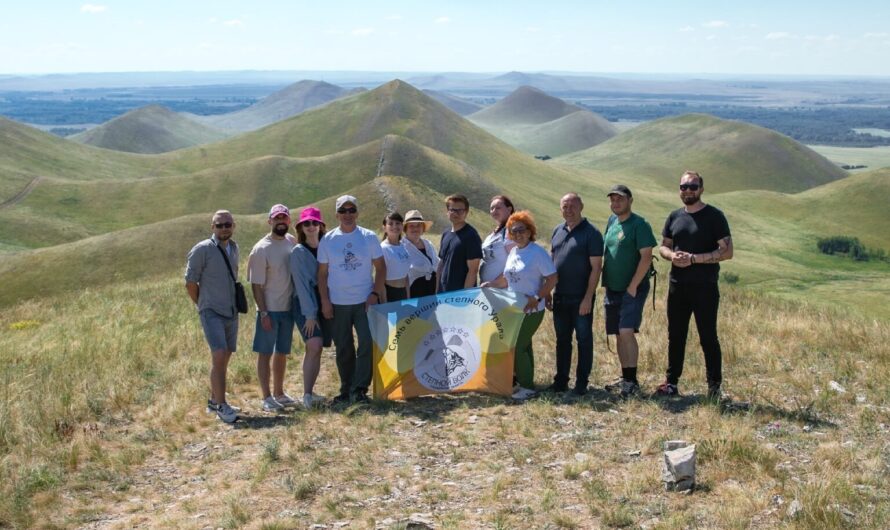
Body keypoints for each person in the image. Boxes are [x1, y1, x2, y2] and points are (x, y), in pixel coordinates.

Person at [657, 171, 733, 399]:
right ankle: (671, 383)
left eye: (693, 186)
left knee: (708, 336)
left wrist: (694, 259)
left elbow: (727, 252)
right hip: (677, 286)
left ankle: (714, 387)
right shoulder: (674, 216)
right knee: (675, 335)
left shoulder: (714, 216)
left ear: (701, 189)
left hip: (705, 287)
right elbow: (663, 246)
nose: (688, 191)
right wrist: (672, 256)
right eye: (684, 187)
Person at [318, 195, 386, 404]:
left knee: (367, 343)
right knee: (343, 347)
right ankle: (346, 388)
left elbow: (381, 268)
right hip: (338, 302)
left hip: (364, 301)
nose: (347, 214)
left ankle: (360, 389)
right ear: (336, 214)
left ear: (357, 213)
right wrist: (325, 301)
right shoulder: (328, 240)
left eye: (351, 210)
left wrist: (374, 294)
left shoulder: (369, 237)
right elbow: (322, 274)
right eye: (343, 211)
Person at [482, 211, 557, 401]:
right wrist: (491, 284)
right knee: (525, 345)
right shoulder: (514, 252)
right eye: (513, 231)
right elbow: (507, 278)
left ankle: (526, 387)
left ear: (530, 231)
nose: (517, 234)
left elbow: (552, 278)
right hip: (515, 309)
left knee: (517, 345)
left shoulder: (537, 252)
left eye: (521, 230)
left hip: (532, 308)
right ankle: (527, 383)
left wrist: (537, 297)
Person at [185, 210, 241, 423]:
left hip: (231, 310)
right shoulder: (202, 249)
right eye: (219, 225)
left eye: (227, 224)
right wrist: (202, 304)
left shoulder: (234, 248)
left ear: (233, 226)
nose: (224, 228)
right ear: (212, 227)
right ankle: (222, 405)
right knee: (218, 354)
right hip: (211, 310)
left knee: (225, 355)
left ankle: (214, 399)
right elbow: (190, 281)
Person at [601, 185, 656, 398]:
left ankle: (632, 382)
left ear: (630, 201)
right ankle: (625, 378)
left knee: (626, 331)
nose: (616, 203)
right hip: (612, 287)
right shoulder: (612, 221)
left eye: (620, 199)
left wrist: (633, 286)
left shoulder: (639, 224)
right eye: (613, 200)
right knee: (617, 333)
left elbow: (646, 257)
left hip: (633, 287)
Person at [548, 193, 604, 396]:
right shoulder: (557, 230)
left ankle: (581, 383)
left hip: (581, 297)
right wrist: (547, 291)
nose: (569, 210)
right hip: (560, 296)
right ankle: (561, 381)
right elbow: (551, 264)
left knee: (584, 340)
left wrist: (588, 298)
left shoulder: (592, 233)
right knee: (562, 340)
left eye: (573, 206)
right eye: (565, 206)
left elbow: (596, 268)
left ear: (581, 207)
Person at [248, 204, 299, 411]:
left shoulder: (292, 242)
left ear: (289, 220)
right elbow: (256, 285)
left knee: (282, 352)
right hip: (269, 309)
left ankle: (279, 392)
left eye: (283, 218)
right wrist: (263, 312)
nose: (280, 222)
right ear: (270, 221)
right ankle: (266, 397)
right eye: (276, 218)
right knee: (265, 353)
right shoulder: (261, 249)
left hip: (288, 308)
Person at [289, 206, 333, 409]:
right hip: (305, 302)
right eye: (306, 223)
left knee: (321, 346)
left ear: (321, 225)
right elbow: (301, 285)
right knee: (314, 344)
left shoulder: (327, 246)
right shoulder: (298, 252)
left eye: (315, 222)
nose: (311, 226)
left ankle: (312, 392)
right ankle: (307, 394)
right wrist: (310, 315)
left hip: (327, 299)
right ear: (301, 227)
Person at [437, 194, 483, 293]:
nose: (456, 213)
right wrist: (436, 291)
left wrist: (463, 297)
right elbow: (441, 264)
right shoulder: (446, 233)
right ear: (447, 212)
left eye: (460, 210)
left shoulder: (471, 236)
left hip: (459, 296)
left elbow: (473, 271)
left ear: (466, 212)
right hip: (443, 294)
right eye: (452, 210)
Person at [402, 209, 439, 298]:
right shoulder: (401, 247)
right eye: (411, 226)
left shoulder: (428, 244)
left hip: (432, 292)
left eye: (418, 225)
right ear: (406, 229)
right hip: (412, 294)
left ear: (423, 228)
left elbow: (437, 265)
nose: (415, 229)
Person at [480, 195, 517, 284]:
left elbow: (515, 263)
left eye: (498, 208)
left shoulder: (512, 230)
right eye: (492, 208)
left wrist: (496, 283)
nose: (494, 211)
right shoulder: (495, 233)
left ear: (509, 209)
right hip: (488, 287)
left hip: (501, 288)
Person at [380, 212, 411, 302]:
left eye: (398, 223)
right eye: (390, 224)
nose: (394, 226)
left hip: (403, 292)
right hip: (390, 293)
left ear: (402, 226)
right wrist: (384, 303)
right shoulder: (383, 248)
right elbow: (380, 279)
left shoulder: (403, 246)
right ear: (384, 228)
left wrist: (408, 297)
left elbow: (406, 275)